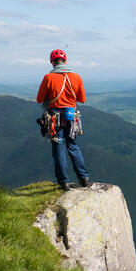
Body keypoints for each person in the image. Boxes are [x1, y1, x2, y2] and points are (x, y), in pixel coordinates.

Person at [36, 49, 90, 191]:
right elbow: (82, 99)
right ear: (65, 61)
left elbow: (39, 99)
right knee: (73, 145)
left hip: (55, 117)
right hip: (71, 116)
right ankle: (83, 178)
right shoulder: (76, 77)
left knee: (58, 147)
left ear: (52, 62)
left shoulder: (48, 78)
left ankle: (63, 182)